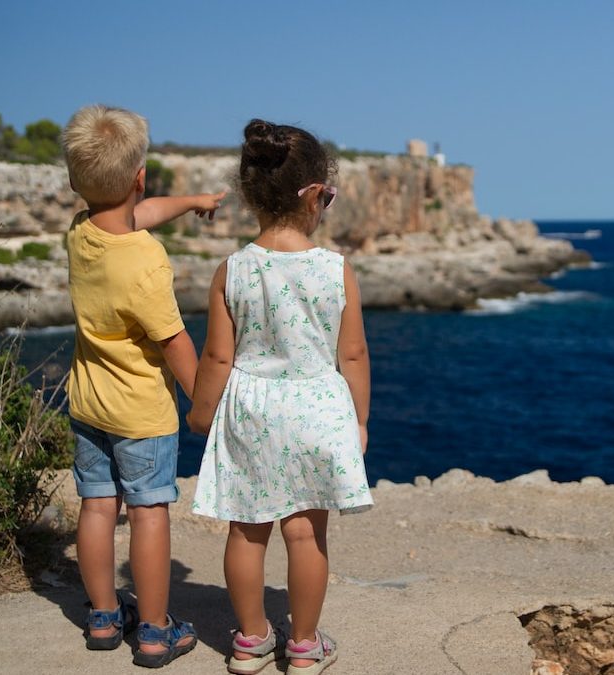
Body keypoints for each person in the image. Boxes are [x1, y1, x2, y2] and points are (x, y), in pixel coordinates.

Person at [187, 119, 373, 675]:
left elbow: (218, 357)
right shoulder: (336, 269)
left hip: (252, 407)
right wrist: (359, 422)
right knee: (306, 532)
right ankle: (304, 644)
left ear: (250, 195)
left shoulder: (233, 270)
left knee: (246, 530)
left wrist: (199, 412)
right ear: (316, 194)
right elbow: (354, 355)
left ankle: (249, 642)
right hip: (316, 408)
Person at [62, 104, 225, 668]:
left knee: (96, 505)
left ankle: (105, 617)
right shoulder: (145, 261)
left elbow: (136, 213)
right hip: (141, 416)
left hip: (88, 406)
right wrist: (208, 409)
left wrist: (193, 203)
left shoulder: (80, 233)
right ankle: (155, 630)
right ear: (139, 176)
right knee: (150, 512)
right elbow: (175, 342)